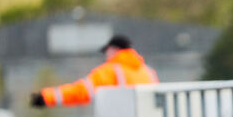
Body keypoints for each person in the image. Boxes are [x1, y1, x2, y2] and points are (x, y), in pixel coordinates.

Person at [30, 34, 158, 107]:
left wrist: (46, 97)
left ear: (113, 50)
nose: (106, 56)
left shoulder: (110, 71)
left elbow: (81, 91)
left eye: (106, 52)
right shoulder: (149, 72)